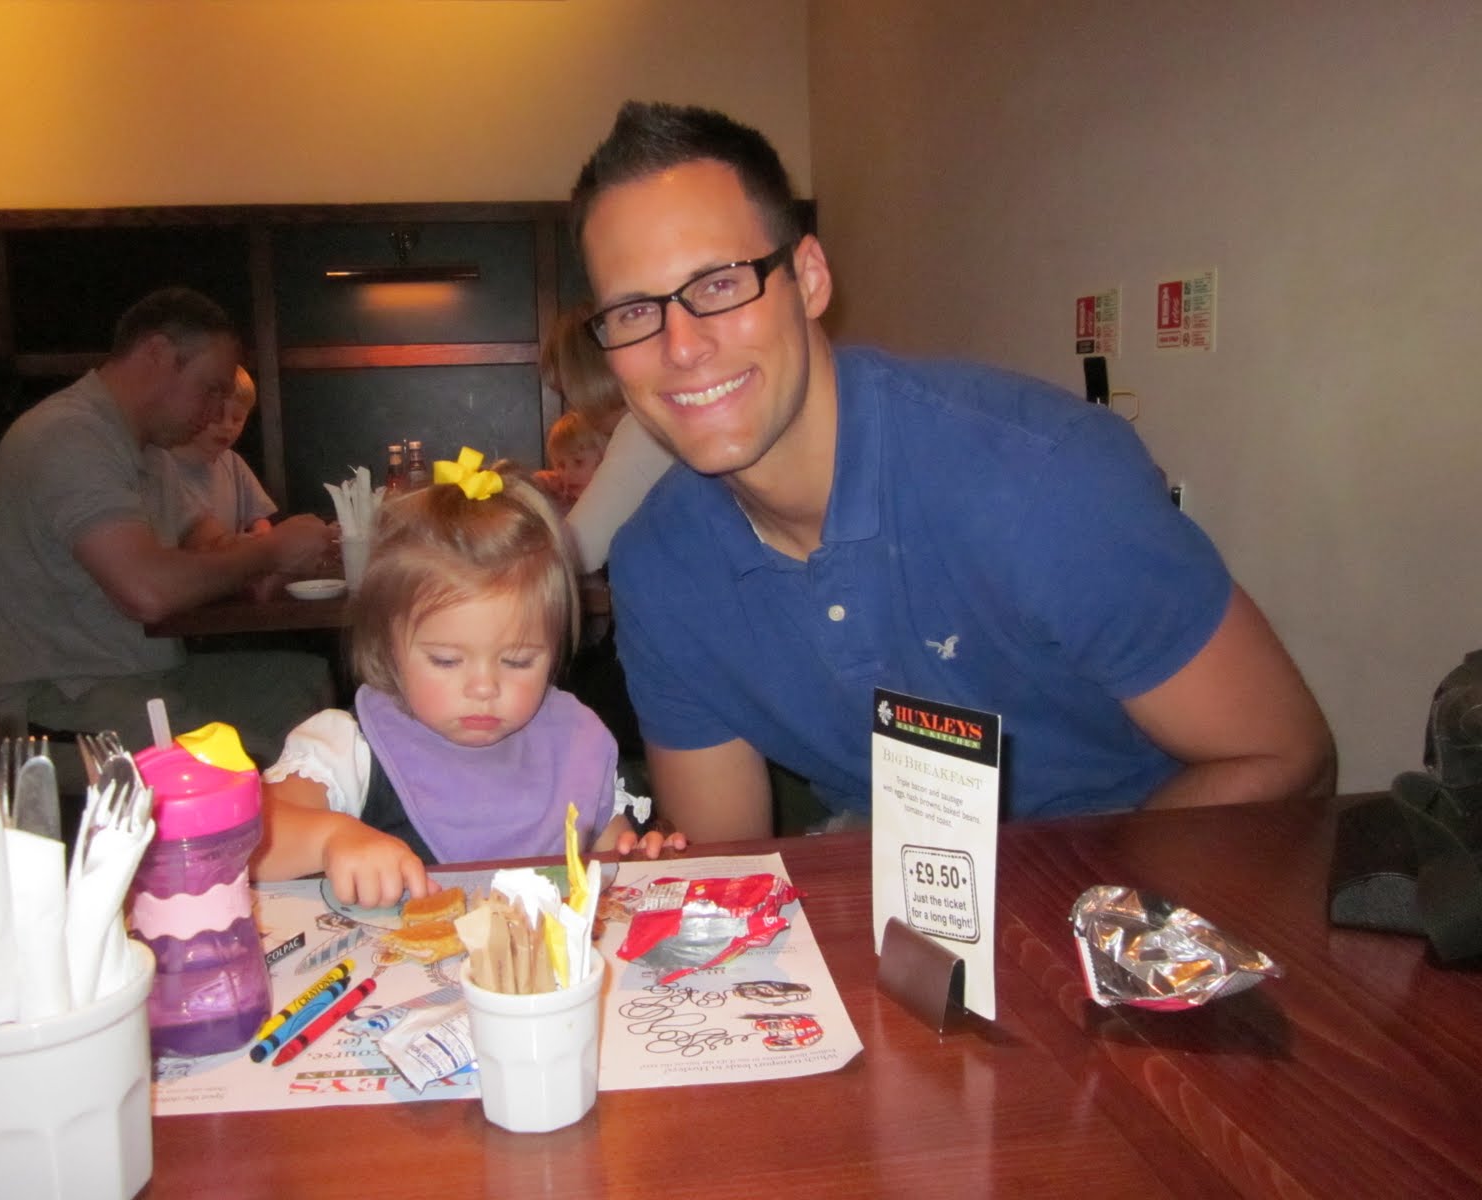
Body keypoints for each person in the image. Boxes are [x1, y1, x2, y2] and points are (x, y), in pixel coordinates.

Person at [568, 100, 1336, 842]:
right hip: (888, 877)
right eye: (634, 312)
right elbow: (726, 865)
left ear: (810, 278)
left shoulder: (1041, 481)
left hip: (1149, 866)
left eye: (719, 284)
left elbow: (1283, 758)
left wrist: (1085, 908)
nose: (681, 346)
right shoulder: (660, 568)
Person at [252, 447, 687, 907]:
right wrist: (330, 838)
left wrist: (639, 858)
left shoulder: (575, 739)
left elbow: (609, 854)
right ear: (388, 646)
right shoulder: (350, 749)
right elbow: (249, 842)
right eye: (446, 660)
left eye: (517, 661)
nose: (484, 688)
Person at [0, 287, 336, 762]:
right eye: (211, 388)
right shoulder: (67, 436)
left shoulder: (149, 450)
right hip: (46, 704)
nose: (216, 411)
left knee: (305, 689)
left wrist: (276, 562)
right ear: (157, 354)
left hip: (135, 678)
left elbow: (212, 544)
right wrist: (271, 551)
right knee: (272, 765)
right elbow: (146, 591)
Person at [541, 303, 675, 574]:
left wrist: (528, 501)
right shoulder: (653, 419)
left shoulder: (641, 431)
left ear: (586, 381)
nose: (575, 408)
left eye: (568, 393)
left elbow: (577, 552)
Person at [164, 364, 276, 538]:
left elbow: (260, 518)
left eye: (237, 418)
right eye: (217, 416)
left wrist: (261, 533)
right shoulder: (163, 467)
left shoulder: (234, 463)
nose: (227, 426)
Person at [535, 410, 608, 515]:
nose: (568, 474)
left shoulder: (608, 499)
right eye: (561, 465)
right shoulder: (563, 504)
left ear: (602, 458)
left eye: (578, 462)